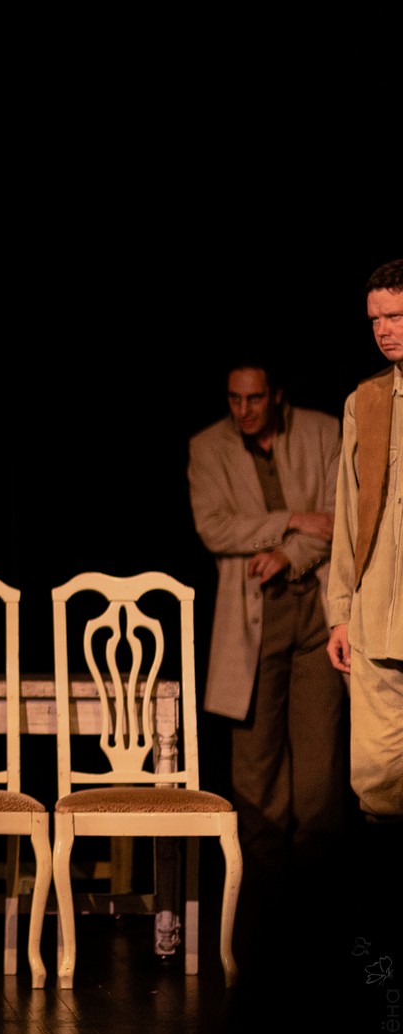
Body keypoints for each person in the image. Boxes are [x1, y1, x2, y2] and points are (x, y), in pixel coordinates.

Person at [187, 360, 346, 882]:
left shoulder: (323, 432)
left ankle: (315, 889)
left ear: (276, 395)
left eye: (254, 398)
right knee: (256, 771)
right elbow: (214, 527)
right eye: (234, 399)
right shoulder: (208, 447)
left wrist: (287, 554)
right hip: (251, 620)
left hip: (318, 617)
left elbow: (339, 519)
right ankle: (265, 895)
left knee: (319, 770)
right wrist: (292, 521)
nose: (243, 410)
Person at [327, 259, 403, 824]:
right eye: (375, 319)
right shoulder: (366, 401)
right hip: (376, 619)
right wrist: (340, 613)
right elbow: (348, 516)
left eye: (396, 316)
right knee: (377, 781)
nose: (384, 330)